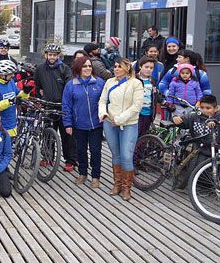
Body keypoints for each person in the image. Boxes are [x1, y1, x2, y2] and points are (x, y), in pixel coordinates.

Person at [99, 58, 144, 201]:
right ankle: (117, 185)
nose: (116, 69)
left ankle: (127, 188)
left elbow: (137, 106)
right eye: (115, 66)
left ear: (127, 69)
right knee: (116, 155)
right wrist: (103, 113)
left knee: (126, 155)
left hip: (128, 123)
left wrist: (119, 119)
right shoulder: (109, 82)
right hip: (109, 122)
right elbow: (102, 101)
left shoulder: (136, 83)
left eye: (120, 67)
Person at [171, 94, 220, 189]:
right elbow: (183, 121)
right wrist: (175, 118)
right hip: (202, 150)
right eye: (202, 107)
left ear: (216, 108)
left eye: (208, 108)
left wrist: (218, 123)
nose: (204, 110)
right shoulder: (194, 116)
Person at [34, 43, 78, 171]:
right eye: (50, 55)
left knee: (67, 135)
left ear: (58, 56)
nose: (52, 57)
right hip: (47, 105)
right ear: (46, 55)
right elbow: (38, 86)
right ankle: (48, 157)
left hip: (62, 106)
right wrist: (41, 97)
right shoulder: (40, 68)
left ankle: (70, 160)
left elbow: (69, 88)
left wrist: (67, 104)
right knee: (47, 133)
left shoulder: (65, 68)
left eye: (54, 55)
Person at [62, 56, 105, 188]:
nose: (87, 68)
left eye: (89, 66)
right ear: (78, 68)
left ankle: (96, 176)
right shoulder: (71, 85)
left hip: (96, 125)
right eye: (84, 66)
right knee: (80, 150)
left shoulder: (99, 82)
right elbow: (66, 105)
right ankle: (82, 173)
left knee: (95, 151)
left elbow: (106, 101)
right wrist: (67, 124)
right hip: (78, 124)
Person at [0, 59, 30, 137]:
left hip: (12, 122)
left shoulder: (10, 81)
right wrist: (10, 102)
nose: (13, 76)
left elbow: (18, 96)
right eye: (10, 74)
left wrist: (25, 93)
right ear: (2, 75)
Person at [135, 57, 158, 136]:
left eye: (151, 68)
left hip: (148, 113)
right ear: (140, 67)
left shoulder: (152, 81)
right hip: (137, 113)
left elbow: (155, 95)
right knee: (136, 135)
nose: (149, 70)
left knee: (144, 135)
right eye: (146, 67)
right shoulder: (135, 79)